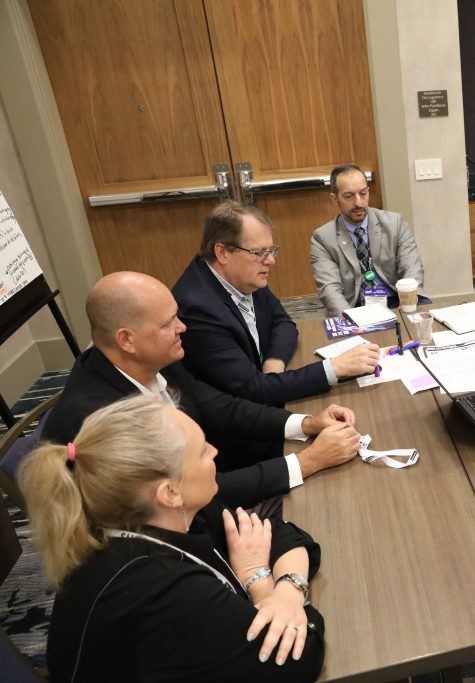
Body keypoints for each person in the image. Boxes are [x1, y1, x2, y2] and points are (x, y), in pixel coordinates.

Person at [24, 394, 326, 681]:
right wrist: (259, 583)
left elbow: (282, 533)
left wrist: (286, 593)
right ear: (169, 492)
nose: (214, 451)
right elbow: (300, 657)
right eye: (202, 451)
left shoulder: (175, 511)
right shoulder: (161, 589)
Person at [42, 271, 360, 510]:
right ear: (127, 339)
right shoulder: (106, 421)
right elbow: (188, 494)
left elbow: (220, 408)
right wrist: (306, 463)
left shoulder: (152, 358)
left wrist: (306, 424)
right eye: (168, 324)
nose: (182, 327)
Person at [173, 201, 380, 407]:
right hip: (237, 422)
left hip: (262, 391)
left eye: (271, 250)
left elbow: (283, 322)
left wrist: (274, 360)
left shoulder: (242, 275)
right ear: (222, 253)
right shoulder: (198, 309)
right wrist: (334, 368)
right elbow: (253, 390)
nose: (271, 260)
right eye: (260, 252)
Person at [310, 164, 427, 315]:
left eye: (363, 193)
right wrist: (352, 319)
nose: (358, 203)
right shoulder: (322, 238)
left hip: (396, 300)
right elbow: (329, 289)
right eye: (349, 196)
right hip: (354, 306)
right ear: (335, 199)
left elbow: (412, 266)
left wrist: (408, 304)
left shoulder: (395, 223)